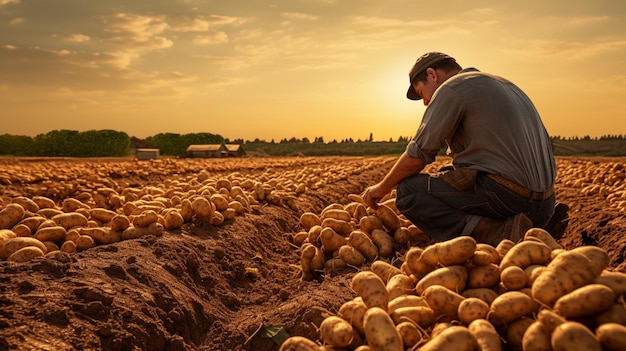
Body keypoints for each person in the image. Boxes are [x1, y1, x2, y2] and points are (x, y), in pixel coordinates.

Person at [362, 52, 568, 246]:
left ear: (432, 75)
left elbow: (418, 156)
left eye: (421, 92)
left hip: (510, 198)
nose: (425, 102)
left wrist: (381, 188)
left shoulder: (452, 88)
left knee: (408, 192)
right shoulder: (508, 86)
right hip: (546, 203)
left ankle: (499, 233)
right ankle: (537, 227)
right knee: (446, 175)